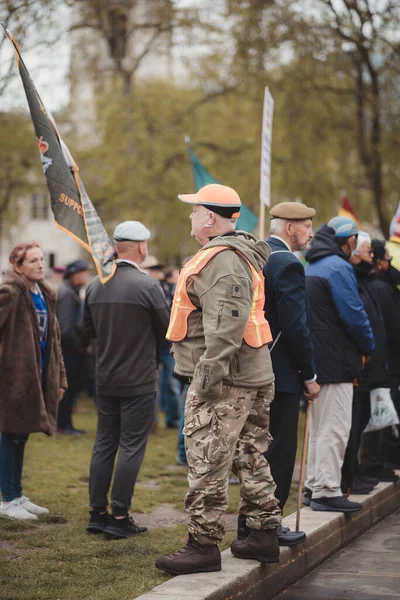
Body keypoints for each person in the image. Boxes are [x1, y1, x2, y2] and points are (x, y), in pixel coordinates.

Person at [156, 183, 281, 576]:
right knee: (250, 454)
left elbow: (226, 324)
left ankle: (203, 545)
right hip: (249, 372)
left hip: (226, 378)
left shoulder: (221, 259)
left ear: (210, 218)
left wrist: (207, 379)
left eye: (195, 211)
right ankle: (262, 536)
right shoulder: (235, 254)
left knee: (208, 460)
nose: (191, 217)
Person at [238, 201, 319, 547]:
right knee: (279, 452)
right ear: (289, 228)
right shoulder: (286, 262)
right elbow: (295, 326)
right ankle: (268, 524)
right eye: (306, 227)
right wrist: (309, 374)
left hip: (252, 365)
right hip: (281, 372)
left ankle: (249, 523)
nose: (311, 233)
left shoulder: (255, 254)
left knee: (254, 452)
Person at [84, 221, 170, 539]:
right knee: (131, 447)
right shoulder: (148, 286)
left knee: (104, 443)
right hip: (139, 380)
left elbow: (88, 330)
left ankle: (97, 513)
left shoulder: (95, 284)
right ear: (141, 247)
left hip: (105, 377)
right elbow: (168, 330)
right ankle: (119, 517)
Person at [304, 216, 375, 512]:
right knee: (335, 428)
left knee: (318, 429)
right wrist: (369, 345)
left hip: (317, 359)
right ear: (348, 241)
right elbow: (354, 315)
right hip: (337, 358)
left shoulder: (313, 265)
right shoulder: (339, 267)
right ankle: (327, 489)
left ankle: (313, 485)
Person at [0, 242, 66, 520]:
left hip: (38, 375)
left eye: (41, 259)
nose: (40, 264)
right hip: (13, 377)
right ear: (18, 266)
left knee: (22, 435)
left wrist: (60, 378)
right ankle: (6, 500)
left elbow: (55, 341)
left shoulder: (45, 294)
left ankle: (17, 494)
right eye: (33, 261)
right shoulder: (10, 292)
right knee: (9, 435)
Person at [342, 233, 391, 493]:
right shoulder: (353, 278)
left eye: (373, 252)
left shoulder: (366, 280)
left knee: (360, 421)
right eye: (368, 252)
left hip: (369, 365)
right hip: (358, 366)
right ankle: (349, 475)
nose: (371, 257)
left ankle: (354, 471)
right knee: (352, 422)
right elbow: (356, 322)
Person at [357, 239, 400, 481]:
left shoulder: (378, 284)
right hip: (383, 363)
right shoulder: (381, 288)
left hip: (380, 362)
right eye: (387, 259)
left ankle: (374, 461)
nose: (389, 263)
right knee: (375, 413)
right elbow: (393, 328)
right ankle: (373, 462)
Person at [56, 259, 89, 435]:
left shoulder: (71, 291)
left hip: (70, 349)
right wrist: (78, 347)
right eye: (84, 271)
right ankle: (62, 425)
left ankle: (65, 423)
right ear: (75, 274)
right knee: (67, 388)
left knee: (70, 387)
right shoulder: (68, 294)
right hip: (69, 351)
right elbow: (66, 328)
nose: (86, 274)